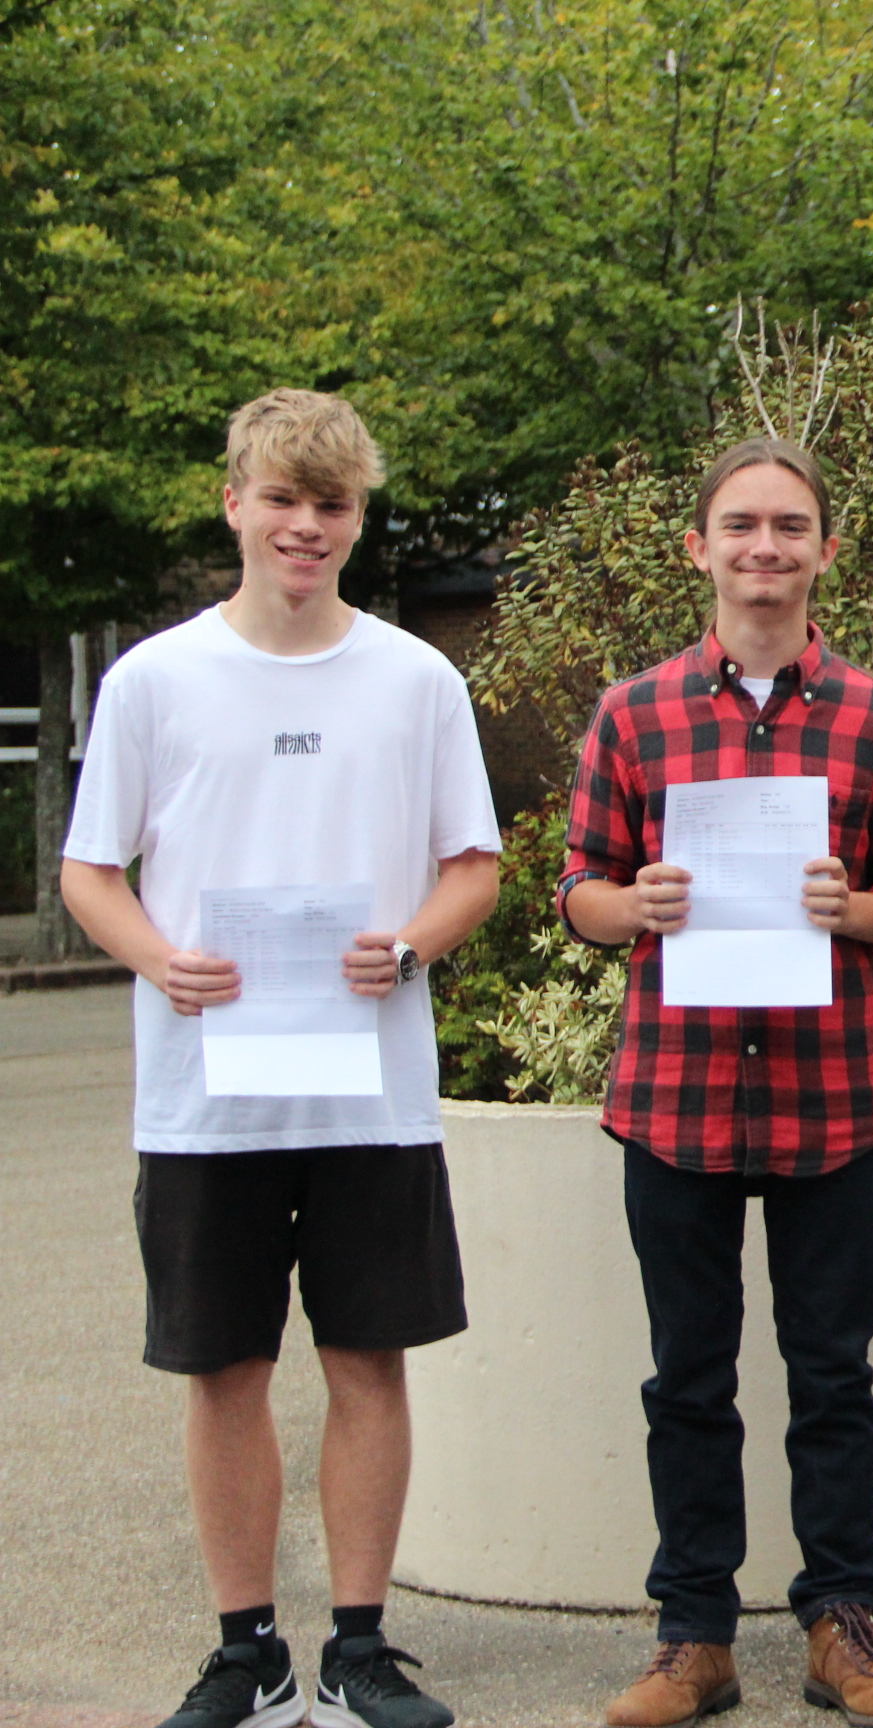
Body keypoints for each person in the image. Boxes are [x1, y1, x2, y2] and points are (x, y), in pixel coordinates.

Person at [61, 389, 502, 1728]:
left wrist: (412, 944)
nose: (306, 526)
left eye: (334, 505)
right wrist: (157, 958)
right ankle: (246, 1649)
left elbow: (473, 866)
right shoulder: (154, 678)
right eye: (284, 500)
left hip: (369, 1091)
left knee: (370, 1363)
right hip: (208, 1103)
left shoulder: (417, 678)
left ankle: (358, 1648)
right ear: (236, 502)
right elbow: (92, 870)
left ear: (357, 520)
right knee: (226, 1371)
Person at [560, 438, 873, 1727]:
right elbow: (576, 890)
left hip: (833, 1096)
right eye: (741, 527)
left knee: (832, 1371)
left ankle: (843, 1621)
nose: (765, 549)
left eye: (791, 527)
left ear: (825, 549)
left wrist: (864, 908)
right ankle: (694, 1635)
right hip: (674, 1096)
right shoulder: (634, 713)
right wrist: (635, 904)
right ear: (701, 547)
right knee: (688, 1376)